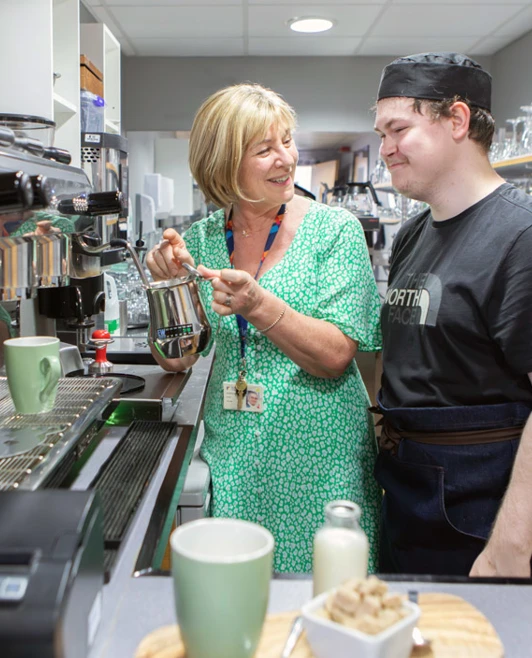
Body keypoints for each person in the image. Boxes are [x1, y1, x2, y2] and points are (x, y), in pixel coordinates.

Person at [146, 83, 382, 573]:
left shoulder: (335, 231)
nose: (287, 159)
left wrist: (257, 304)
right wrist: (170, 291)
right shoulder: (202, 238)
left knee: (330, 592)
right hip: (236, 453)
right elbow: (178, 357)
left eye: (288, 141)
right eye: (265, 149)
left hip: (323, 457)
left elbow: (336, 355)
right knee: (241, 589)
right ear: (223, 163)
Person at [373, 52, 532, 577]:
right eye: (381, 134)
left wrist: (511, 545)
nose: (385, 149)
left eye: (399, 129)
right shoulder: (415, 233)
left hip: (481, 510)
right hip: (410, 495)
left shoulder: (519, 237)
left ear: (458, 121)